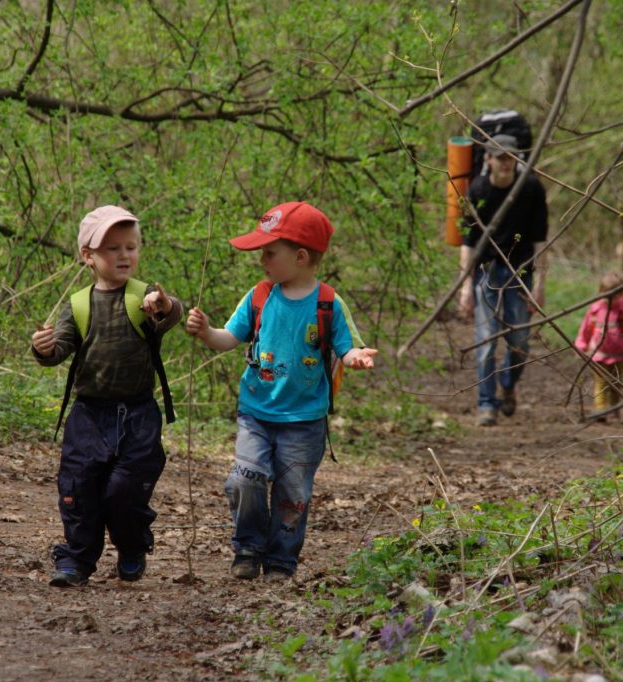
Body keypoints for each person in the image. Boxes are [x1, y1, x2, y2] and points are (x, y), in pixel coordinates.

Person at [185, 201, 377, 582]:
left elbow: (346, 346)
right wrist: (207, 331)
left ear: (301, 256)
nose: (262, 261)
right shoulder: (258, 296)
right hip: (256, 413)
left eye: (269, 253)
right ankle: (248, 546)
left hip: (305, 422)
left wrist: (355, 358)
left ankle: (280, 562)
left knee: (293, 495)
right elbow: (229, 337)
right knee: (245, 478)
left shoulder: (328, 303)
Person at [31, 205, 183, 587]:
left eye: (130, 247)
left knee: (124, 489)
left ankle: (131, 545)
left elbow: (170, 312)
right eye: (112, 248)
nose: (124, 255)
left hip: (138, 415)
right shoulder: (79, 304)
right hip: (89, 415)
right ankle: (76, 560)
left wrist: (163, 306)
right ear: (88, 256)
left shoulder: (144, 296)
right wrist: (44, 348)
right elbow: (59, 350)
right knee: (79, 488)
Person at [457, 133, 549, 426]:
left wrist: (540, 284)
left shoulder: (531, 188)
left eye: (510, 157)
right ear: (488, 160)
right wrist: (465, 287)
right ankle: (487, 403)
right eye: (500, 157)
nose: (506, 163)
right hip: (485, 271)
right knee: (485, 340)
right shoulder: (478, 190)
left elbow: (540, 241)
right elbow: (468, 243)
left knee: (519, 340)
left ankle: (508, 384)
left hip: (520, 272)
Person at [574, 272, 623, 418]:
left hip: (619, 353)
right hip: (599, 353)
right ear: (601, 292)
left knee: (616, 382)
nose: (611, 300)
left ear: (622, 293)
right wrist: (581, 344)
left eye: (615, 296)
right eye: (607, 296)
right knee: (601, 381)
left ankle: (615, 406)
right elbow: (586, 328)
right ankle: (601, 409)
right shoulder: (595, 309)